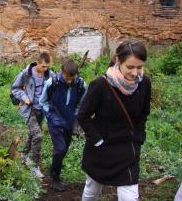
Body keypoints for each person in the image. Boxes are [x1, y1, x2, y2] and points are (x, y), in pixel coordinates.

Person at [78, 40, 151, 201]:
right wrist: (97, 140)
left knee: (130, 197)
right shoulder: (100, 85)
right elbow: (83, 115)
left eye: (139, 67)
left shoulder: (144, 83)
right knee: (92, 192)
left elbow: (144, 113)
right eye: (130, 67)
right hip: (101, 150)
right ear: (118, 61)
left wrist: (139, 137)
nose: (135, 72)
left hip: (127, 150)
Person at [39, 59, 87, 191]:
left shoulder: (81, 85)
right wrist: (51, 117)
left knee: (64, 149)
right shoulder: (52, 82)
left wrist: (76, 117)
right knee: (60, 148)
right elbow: (42, 102)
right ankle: (55, 177)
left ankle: (55, 168)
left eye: (73, 77)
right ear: (62, 71)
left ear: (76, 74)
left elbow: (81, 104)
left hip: (70, 121)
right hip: (55, 120)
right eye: (67, 77)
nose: (70, 80)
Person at [11, 52, 53, 178]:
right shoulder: (26, 74)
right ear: (37, 62)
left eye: (48, 66)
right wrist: (24, 98)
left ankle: (24, 154)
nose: (46, 69)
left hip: (42, 110)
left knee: (33, 134)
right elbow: (15, 89)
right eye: (44, 66)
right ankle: (35, 166)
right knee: (38, 136)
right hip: (29, 110)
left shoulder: (49, 74)